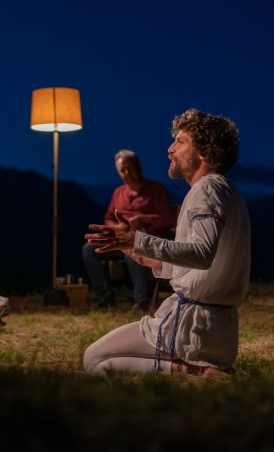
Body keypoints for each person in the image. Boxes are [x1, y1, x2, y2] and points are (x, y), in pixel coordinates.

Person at [83, 108, 250, 377]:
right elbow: (206, 264)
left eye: (180, 142)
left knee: (93, 359)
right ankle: (201, 370)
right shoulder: (227, 190)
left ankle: (191, 371)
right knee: (100, 358)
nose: (170, 149)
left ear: (205, 153)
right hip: (217, 331)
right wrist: (149, 259)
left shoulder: (207, 188)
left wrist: (139, 239)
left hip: (192, 327)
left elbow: (201, 254)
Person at [82, 149, 174, 310]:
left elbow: (167, 218)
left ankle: (141, 300)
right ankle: (104, 296)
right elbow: (108, 216)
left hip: (146, 240)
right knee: (89, 249)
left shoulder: (156, 190)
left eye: (130, 168)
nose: (127, 173)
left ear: (139, 167)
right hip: (121, 239)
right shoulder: (118, 192)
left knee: (133, 249)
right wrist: (115, 229)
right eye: (122, 170)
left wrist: (143, 219)